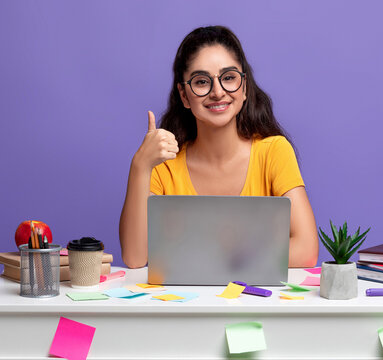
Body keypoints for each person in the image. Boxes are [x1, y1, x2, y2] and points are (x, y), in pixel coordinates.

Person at [120, 26, 318, 269]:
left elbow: (306, 250)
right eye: (201, 81)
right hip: (184, 307)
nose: (217, 92)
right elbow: (135, 257)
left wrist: (213, 258)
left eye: (229, 78)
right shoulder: (164, 165)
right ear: (184, 95)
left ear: (244, 87)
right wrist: (140, 165)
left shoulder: (274, 151)